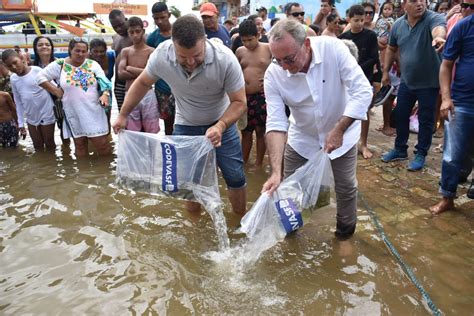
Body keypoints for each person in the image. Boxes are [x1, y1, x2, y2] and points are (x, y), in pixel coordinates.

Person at [112, 15, 247, 215]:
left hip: (222, 124)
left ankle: (239, 221)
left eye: (196, 55)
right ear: (173, 45)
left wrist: (220, 126)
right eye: (183, 57)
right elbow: (142, 83)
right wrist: (123, 115)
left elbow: (239, 102)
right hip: (186, 125)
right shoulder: (161, 55)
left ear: (205, 41)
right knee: (188, 181)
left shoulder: (225, 59)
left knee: (235, 176)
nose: (191, 62)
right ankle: (193, 227)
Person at [262, 19, 373, 240]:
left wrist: (340, 129)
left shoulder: (334, 49)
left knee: (346, 187)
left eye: (289, 59)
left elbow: (363, 91)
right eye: (278, 60)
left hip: (344, 133)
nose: (284, 66)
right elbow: (275, 123)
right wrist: (276, 171)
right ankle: (290, 234)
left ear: (307, 45)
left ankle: (344, 235)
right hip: (302, 136)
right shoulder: (273, 74)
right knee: (290, 189)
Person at [381, 0, 447, 171]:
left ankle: (421, 153)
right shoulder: (398, 25)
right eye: (413, 1)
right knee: (401, 115)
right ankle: (400, 149)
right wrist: (385, 72)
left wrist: (439, 37)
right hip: (407, 81)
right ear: (404, 6)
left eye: (422, 0)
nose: (419, 4)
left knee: (425, 119)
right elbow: (390, 47)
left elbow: (438, 29)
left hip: (429, 82)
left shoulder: (434, 18)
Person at [429, 1, 474, 215]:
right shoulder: (462, 27)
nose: (468, 9)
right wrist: (446, 98)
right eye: (466, 5)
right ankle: (447, 196)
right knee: (451, 154)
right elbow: (446, 64)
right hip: (463, 101)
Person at [37, 38, 113, 157]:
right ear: (70, 50)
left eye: (84, 51)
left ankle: (105, 172)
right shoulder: (60, 65)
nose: (81, 54)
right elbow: (40, 78)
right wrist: (55, 90)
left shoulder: (92, 64)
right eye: (77, 51)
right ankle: (83, 174)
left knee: (102, 144)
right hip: (73, 111)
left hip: (94, 110)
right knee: (79, 144)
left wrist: (105, 94)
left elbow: (104, 81)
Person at [339, 5, 380, 159]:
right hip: (345, 81)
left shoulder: (370, 36)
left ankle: (363, 143)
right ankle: (345, 140)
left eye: (362, 20)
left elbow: (374, 58)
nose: (359, 23)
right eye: (356, 20)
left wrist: (375, 79)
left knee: (364, 111)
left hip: (364, 78)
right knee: (345, 109)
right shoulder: (342, 38)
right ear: (349, 19)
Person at [2, 49, 56, 151]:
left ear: (21, 58)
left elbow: (54, 87)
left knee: (49, 143)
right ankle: (42, 166)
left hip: (47, 113)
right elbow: (18, 101)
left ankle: (53, 164)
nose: (13, 67)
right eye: (9, 66)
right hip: (31, 117)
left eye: (15, 62)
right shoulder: (13, 79)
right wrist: (21, 123)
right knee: (37, 145)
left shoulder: (37, 71)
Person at [236, 19, 272, 167]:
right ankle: (243, 163)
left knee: (261, 131)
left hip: (262, 96)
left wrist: (270, 79)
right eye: (243, 40)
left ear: (258, 35)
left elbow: (280, 67)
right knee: (245, 131)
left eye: (250, 40)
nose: (247, 44)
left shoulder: (268, 48)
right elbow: (234, 72)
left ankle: (258, 164)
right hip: (244, 96)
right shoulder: (239, 51)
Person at [118, 17, 159, 133]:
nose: (135, 35)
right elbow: (121, 74)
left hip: (147, 94)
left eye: (137, 31)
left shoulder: (151, 51)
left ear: (143, 31)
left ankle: (152, 152)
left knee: (152, 130)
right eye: (131, 32)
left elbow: (153, 74)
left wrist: (130, 68)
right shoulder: (126, 51)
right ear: (128, 33)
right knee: (132, 131)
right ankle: (137, 152)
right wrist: (144, 72)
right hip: (130, 93)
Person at [146, 2, 175, 135]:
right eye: (156, 18)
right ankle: (170, 151)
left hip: (182, 85)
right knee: (168, 123)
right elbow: (150, 63)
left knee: (186, 121)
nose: (159, 21)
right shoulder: (153, 38)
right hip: (162, 87)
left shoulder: (178, 32)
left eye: (163, 17)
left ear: (168, 15)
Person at [109, 9, 133, 112]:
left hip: (133, 82)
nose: (118, 29)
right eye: (115, 27)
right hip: (118, 84)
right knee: (122, 114)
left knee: (134, 116)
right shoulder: (115, 38)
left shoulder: (135, 37)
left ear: (126, 20)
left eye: (121, 24)